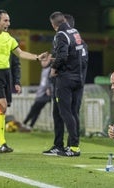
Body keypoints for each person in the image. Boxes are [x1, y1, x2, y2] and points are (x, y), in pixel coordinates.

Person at [0, 9, 47, 153]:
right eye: (5, 20)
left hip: (5, 75)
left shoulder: (8, 38)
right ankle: (2, 143)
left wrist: (37, 57)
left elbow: (20, 53)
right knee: (1, 107)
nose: (8, 23)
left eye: (8, 20)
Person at [42, 13, 88, 156]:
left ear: (53, 24)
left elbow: (63, 56)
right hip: (77, 78)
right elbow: (80, 57)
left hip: (65, 79)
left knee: (65, 112)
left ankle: (73, 146)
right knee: (67, 112)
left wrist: (53, 69)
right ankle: (61, 145)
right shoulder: (76, 34)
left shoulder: (61, 35)